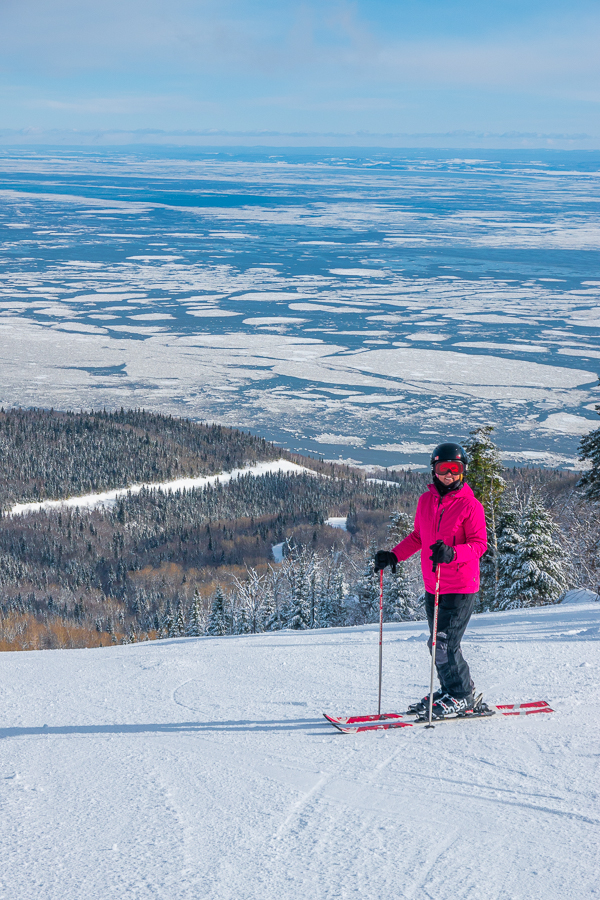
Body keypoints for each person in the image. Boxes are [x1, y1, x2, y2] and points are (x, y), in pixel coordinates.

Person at [375, 442, 487, 718]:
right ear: (433, 470)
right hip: (433, 586)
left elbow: (479, 544)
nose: (448, 474)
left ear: (463, 471)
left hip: (460, 586)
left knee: (444, 643)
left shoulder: (471, 506)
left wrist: (452, 553)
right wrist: (394, 556)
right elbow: (418, 537)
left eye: (454, 468)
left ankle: (461, 696)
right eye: (442, 468)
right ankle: (454, 688)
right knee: (437, 644)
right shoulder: (427, 501)